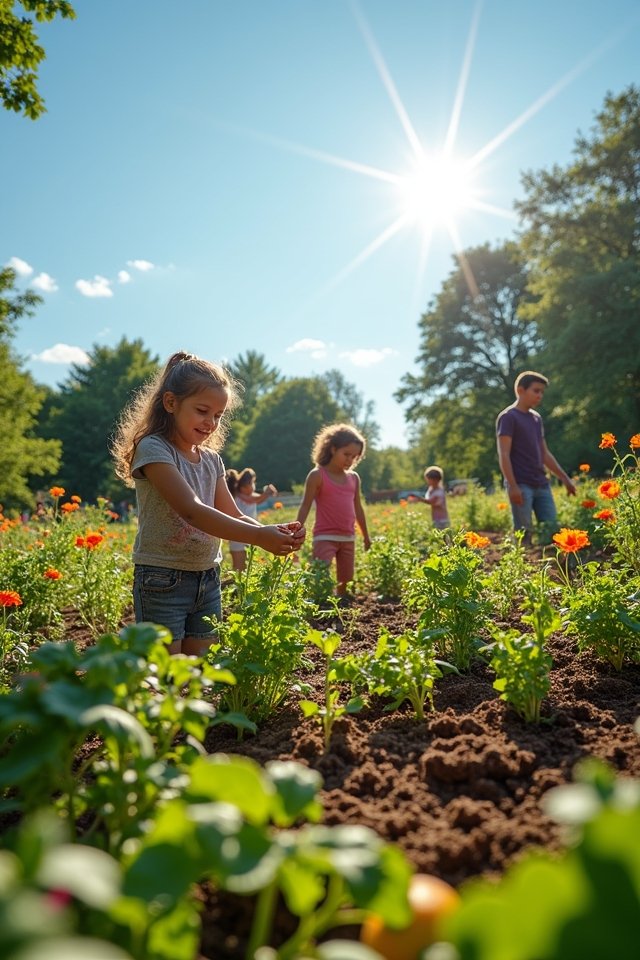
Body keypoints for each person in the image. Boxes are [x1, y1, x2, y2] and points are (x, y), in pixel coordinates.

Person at [112, 351, 304, 656]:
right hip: (162, 578)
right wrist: (258, 536)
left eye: (218, 415)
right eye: (202, 411)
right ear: (171, 403)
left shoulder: (212, 460)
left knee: (200, 666)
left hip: (208, 577)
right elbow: (191, 510)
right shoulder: (154, 449)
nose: (211, 422)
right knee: (165, 670)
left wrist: (275, 531)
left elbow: (234, 514)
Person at [496, 370, 576, 541]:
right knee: (524, 534)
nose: (540, 395)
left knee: (553, 530)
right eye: (536, 390)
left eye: (542, 392)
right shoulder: (508, 417)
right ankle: (522, 558)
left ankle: (555, 559)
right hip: (521, 484)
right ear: (520, 390)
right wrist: (513, 486)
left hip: (541, 483)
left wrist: (565, 478)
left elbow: (544, 453)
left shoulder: (536, 419)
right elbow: (504, 454)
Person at [296, 423, 371, 597]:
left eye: (355, 457)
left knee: (346, 580)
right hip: (324, 536)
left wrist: (366, 536)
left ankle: (341, 606)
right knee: (320, 575)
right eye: (346, 454)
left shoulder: (354, 478)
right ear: (333, 449)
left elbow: (358, 508)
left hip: (348, 537)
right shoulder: (317, 475)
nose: (350, 460)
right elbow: (305, 505)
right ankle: (317, 604)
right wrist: (296, 531)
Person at [226, 467, 278, 571]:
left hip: (247, 535)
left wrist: (267, 493)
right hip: (237, 537)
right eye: (251, 483)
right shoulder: (238, 495)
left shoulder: (247, 496)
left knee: (245, 569)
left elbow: (258, 499)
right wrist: (267, 492)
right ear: (243, 487)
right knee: (238, 569)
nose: (253, 487)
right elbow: (257, 499)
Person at [423, 465, 450, 530]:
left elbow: (434, 503)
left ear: (435, 480)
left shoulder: (439, 491)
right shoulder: (431, 489)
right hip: (435, 519)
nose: (427, 482)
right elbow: (427, 497)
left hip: (442, 521)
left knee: (442, 535)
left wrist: (419, 499)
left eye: (428, 479)